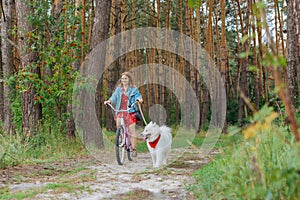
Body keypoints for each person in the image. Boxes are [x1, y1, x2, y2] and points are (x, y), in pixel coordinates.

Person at [104, 72, 143, 157]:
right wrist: (109, 101)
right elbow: (113, 97)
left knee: (132, 130)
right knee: (118, 124)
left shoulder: (133, 89)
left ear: (129, 79)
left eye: (125, 78)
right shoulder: (118, 89)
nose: (124, 80)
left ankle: (133, 149)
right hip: (121, 110)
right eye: (122, 78)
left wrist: (139, 99)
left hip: (130, 111)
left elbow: (138, 96)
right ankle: (121, 137)